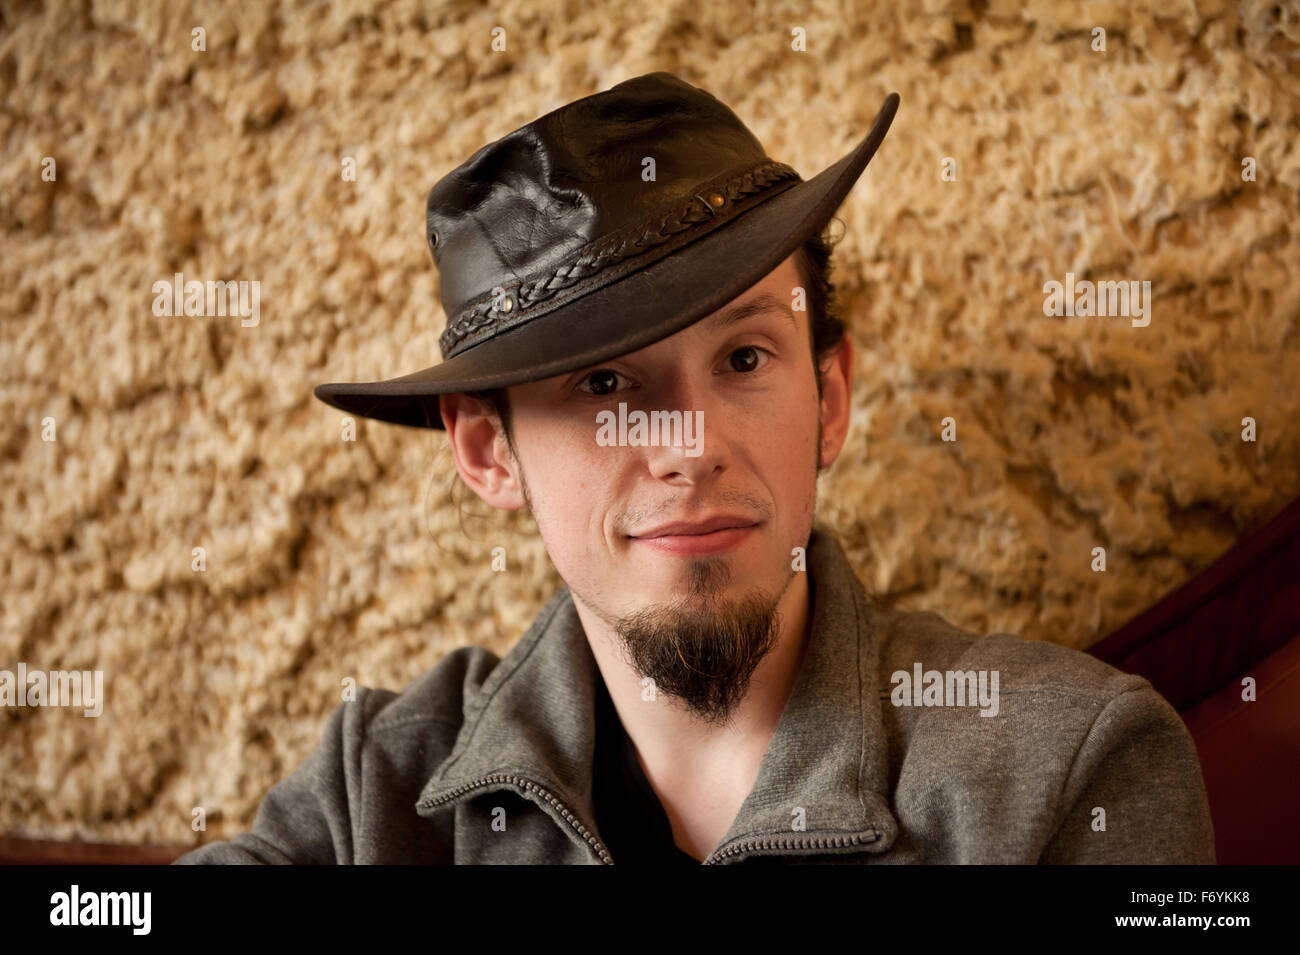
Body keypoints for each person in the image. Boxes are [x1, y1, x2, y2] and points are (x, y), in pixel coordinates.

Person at [175, 71, 1214, 865]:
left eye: (745, 357)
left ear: (830, 399)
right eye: (602, 386)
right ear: (490, 452)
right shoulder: (381, 791)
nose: (687, 444)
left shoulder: (1063, 769)